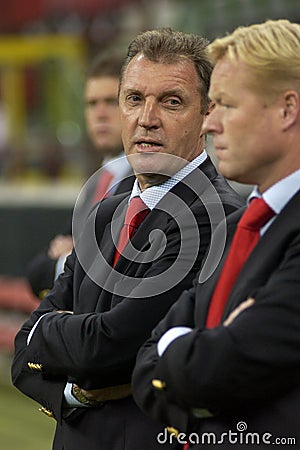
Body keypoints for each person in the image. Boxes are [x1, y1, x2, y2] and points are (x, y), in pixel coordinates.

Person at [11, 28, 243, 450]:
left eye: (171, 101)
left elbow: (111, 346)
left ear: (207, 114)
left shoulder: (217, 216)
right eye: (134, 98)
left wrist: (47, 333)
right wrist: (72, 394)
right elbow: (22, 350)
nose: (146, 118)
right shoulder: (104, 211)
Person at [132, 19, 300, 449]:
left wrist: (183, 350)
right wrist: (193, 348)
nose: (210, 124)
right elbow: (145, 367)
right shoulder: (240, 224)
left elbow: (222, 367)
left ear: (287, 109)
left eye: (225, 104)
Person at [26, 51, 134, 300]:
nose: (100, 113)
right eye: (92, 103)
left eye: (111, 101)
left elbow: (108, 271)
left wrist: (65, 260)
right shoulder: (96, 183)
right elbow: (35, 273)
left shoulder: (146, 181)